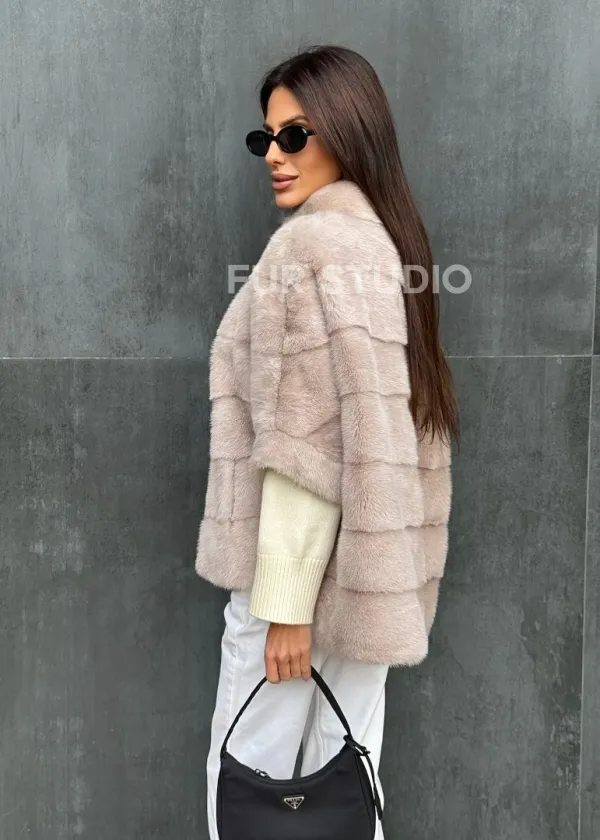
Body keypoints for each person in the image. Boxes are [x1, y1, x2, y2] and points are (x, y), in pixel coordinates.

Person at [195, 44, 459, 840]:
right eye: (265, 138)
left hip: (297, 585)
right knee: (347, 791)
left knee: (249, 790)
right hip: (371, 585)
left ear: (348, 130)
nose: (274, 156)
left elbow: (306, 443)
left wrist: (285, 607)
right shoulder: (386, 245)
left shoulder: (309, 250)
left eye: (294, 135)